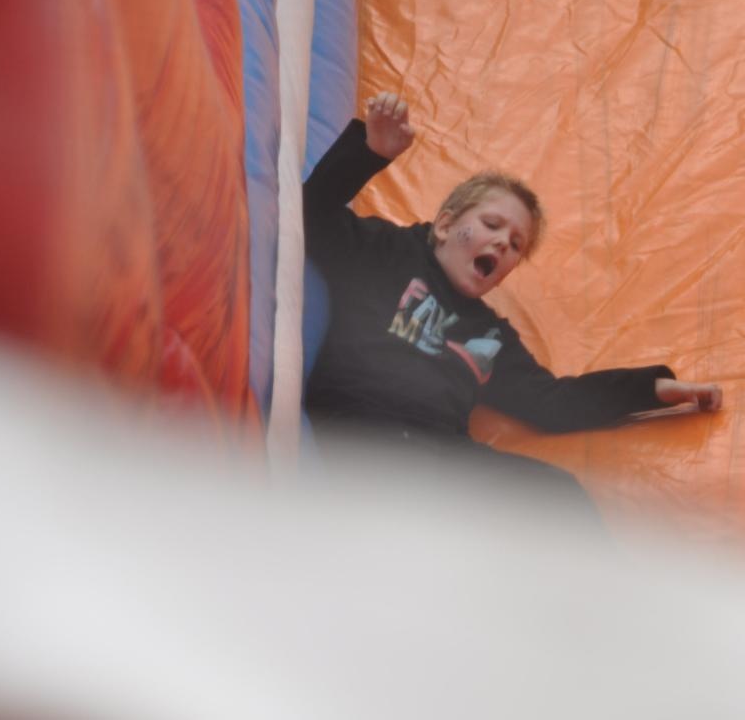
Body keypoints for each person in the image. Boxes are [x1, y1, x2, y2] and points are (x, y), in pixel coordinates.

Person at [302, 92, 720, 526]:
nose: (503, 243)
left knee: (557, 493)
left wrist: (653, 388)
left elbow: (552, 403)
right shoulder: (385, 251)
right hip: (361, 437)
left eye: (516, 245)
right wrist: (370, 152)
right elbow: (311, 214)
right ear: (445, 225)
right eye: (491, 225)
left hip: (440, 459)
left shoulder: (488, 336)